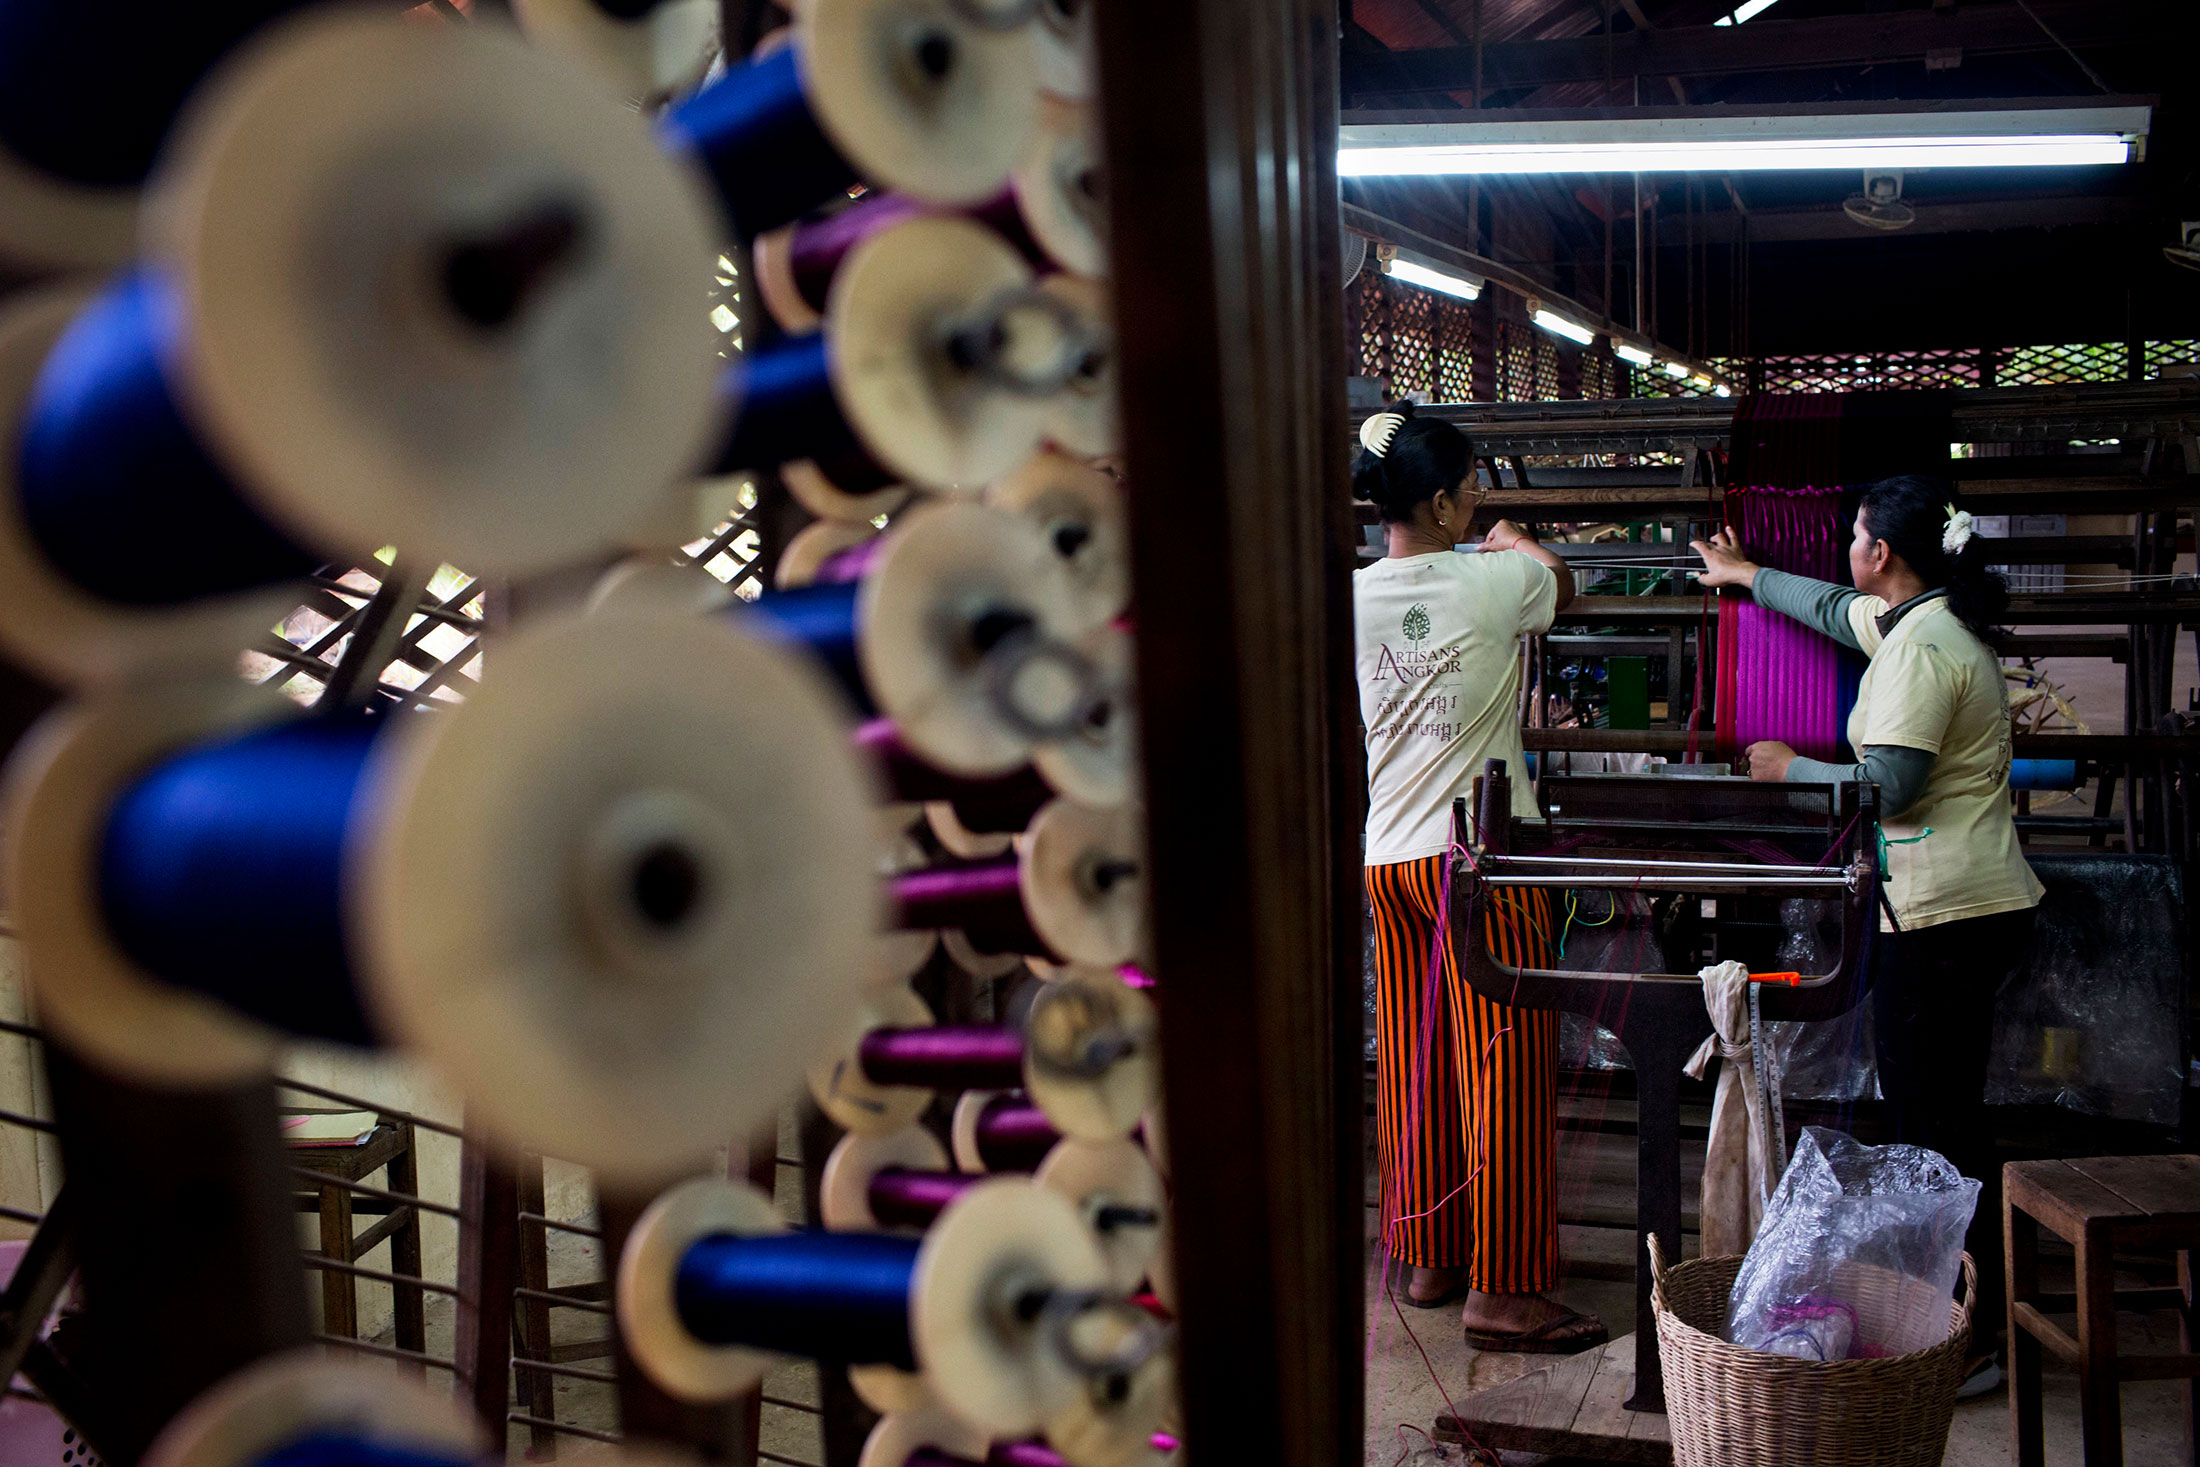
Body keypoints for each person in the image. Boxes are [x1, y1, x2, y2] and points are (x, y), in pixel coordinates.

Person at [1690, 473, 2042, 1395]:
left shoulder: (1923, 647)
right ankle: (1969, 1321)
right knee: (1939, 1116)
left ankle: (1973, 1336)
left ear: (1881, 550)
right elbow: (1836, 607)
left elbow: (1891, 785)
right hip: (1958, 907)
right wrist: (1745, 574)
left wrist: (1787, 768)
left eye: (1853, 532)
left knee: (1938, 1127)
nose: (1847, 547)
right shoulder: (1917, 617)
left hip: (1947, 918)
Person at [1352, 403, 1605, 1354]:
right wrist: (1520, 539)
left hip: (1391, 860)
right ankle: (1505, 1289)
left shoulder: (1353, 596)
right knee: (1503, 1070)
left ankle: (1426, 1253)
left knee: (1417, 1062)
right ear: (1447, 502)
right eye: (1472, 490)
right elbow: (1560, 582)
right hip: (1485, 863)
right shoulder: (1494, 581)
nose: (1478, 502)